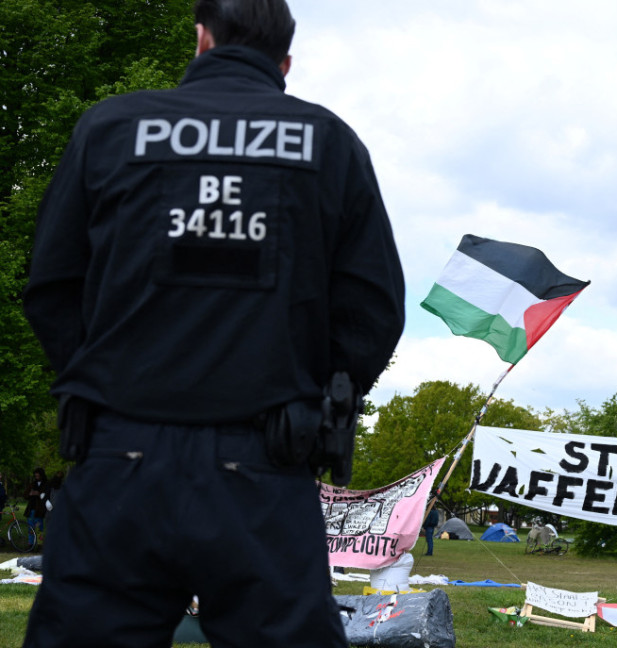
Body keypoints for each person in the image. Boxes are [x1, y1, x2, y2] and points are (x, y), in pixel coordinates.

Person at [21, 1, 405, 645]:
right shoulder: (329, 142)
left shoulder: (111, 127)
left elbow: (53, 287)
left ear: (202, 39)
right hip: (266, 462)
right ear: (284, 62)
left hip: (119, 457)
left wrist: (110, 382)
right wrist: (312, 394)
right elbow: (372, 309)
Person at [25, 468, 49, 532]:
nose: (37, 477)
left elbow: (48, 496)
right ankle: (30, 542)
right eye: (35, 476)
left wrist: (39, 494)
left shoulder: (46, 484)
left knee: (38, 528)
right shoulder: (32, 484)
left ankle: (39, 541)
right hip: (31, 509)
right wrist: (29, 494)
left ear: (41, 475)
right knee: (30, 528)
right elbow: (25, 495)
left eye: (38, 476)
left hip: (40, 510)